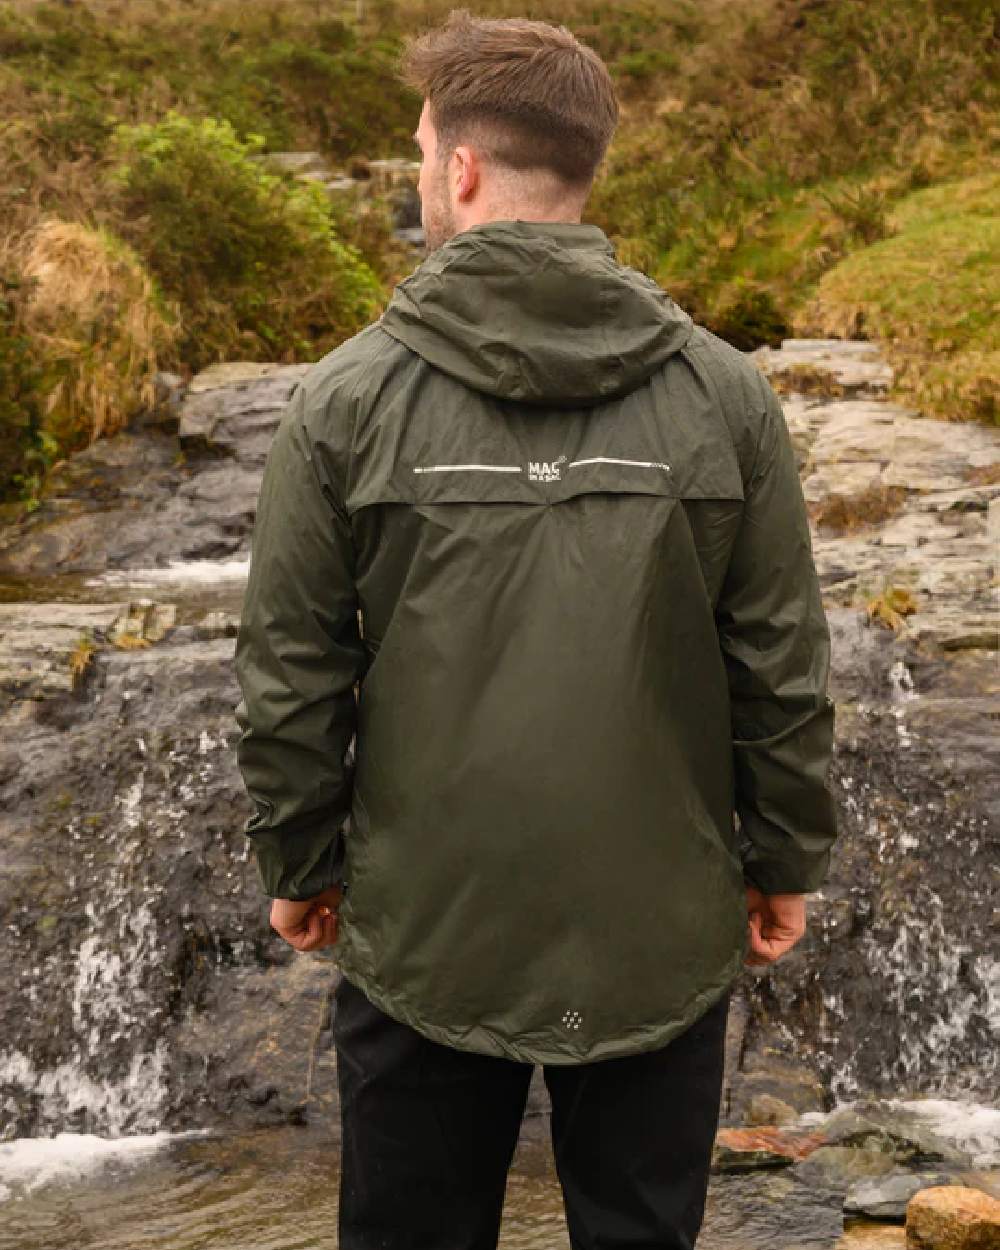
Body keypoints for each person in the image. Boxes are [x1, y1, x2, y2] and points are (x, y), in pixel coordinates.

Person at [233, 9, 838, 1249]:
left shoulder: (344, 399)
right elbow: (778, 663)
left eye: (418, 152)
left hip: (427, 922)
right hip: (657, 926)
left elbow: (292, 669)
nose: (417, 175)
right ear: (582, 166)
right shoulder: (726, 396)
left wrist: (299, 861)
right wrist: (785, 857)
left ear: (458, 168)